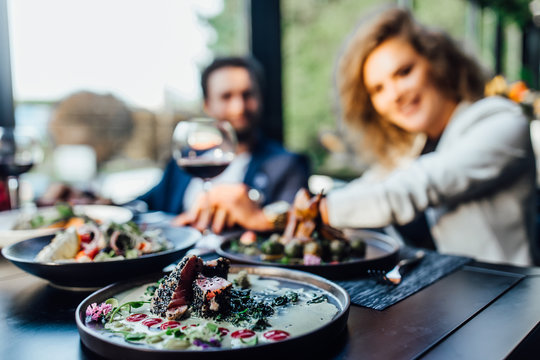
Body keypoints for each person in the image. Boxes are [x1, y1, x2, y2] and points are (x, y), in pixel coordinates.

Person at [197, 7, 537, 266]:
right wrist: (273, 208)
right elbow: (364, 189)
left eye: (404, 72)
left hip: (506, 312)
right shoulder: (416, 147)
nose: (395, 94)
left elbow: (406, 191)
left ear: (437, 62)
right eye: (377, 88)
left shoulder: (502, 124)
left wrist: (271, 218)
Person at [140, 56, 310, 230]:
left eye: (248, 94)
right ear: (207, 105)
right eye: (226, 96)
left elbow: (299, 215)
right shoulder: (184, 162)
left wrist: (255, 212)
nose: (239, 107)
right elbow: (142, 206)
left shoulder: (286, 164)